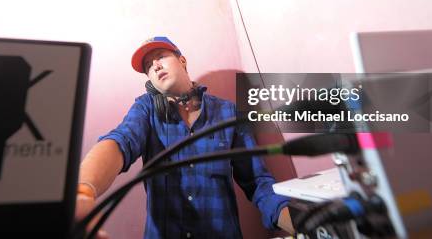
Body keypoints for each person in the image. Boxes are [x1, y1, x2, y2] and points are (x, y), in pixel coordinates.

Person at [76, 37, 294, 238]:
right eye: (148, 66)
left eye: (160, 56)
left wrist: (302, 222)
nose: (155, 66)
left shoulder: (228, 113)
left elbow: (258, 183)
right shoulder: (146, 109)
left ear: (182, 61)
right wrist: (83, 191)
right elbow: (121, 141)